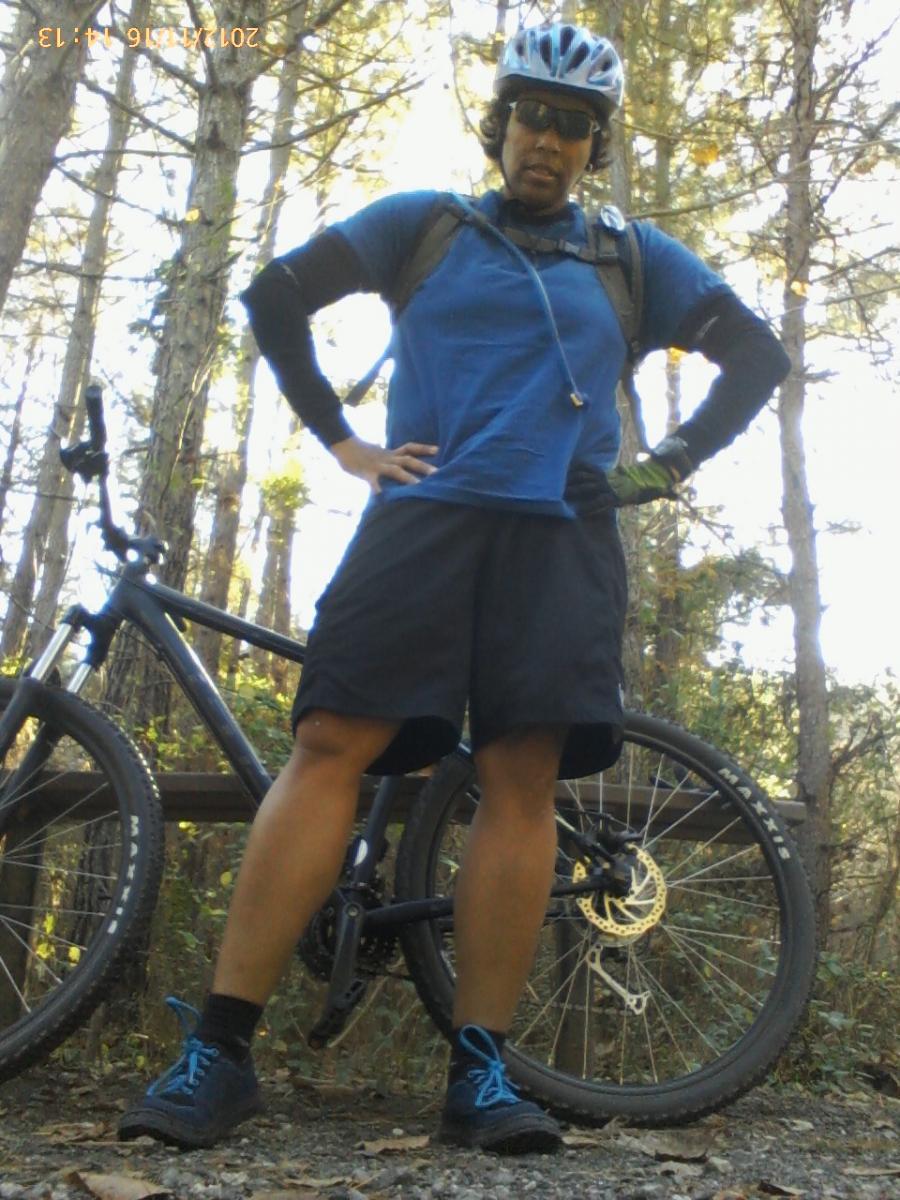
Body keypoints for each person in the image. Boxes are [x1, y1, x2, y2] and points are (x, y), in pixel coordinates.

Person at [119, 23, 790, 1155]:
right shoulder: (423, 225)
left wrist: (666, 467)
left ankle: (478, 1075)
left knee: (521, 776)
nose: (549, 138)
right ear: (503, 122)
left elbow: (757, 358)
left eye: (574, 124)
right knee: (334, 739)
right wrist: (341, 439)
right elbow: (276, 297)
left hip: (563, 537)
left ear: (594, 144)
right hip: (420, 521)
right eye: (532, 113)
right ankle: (220, 1053)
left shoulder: (634, 258)